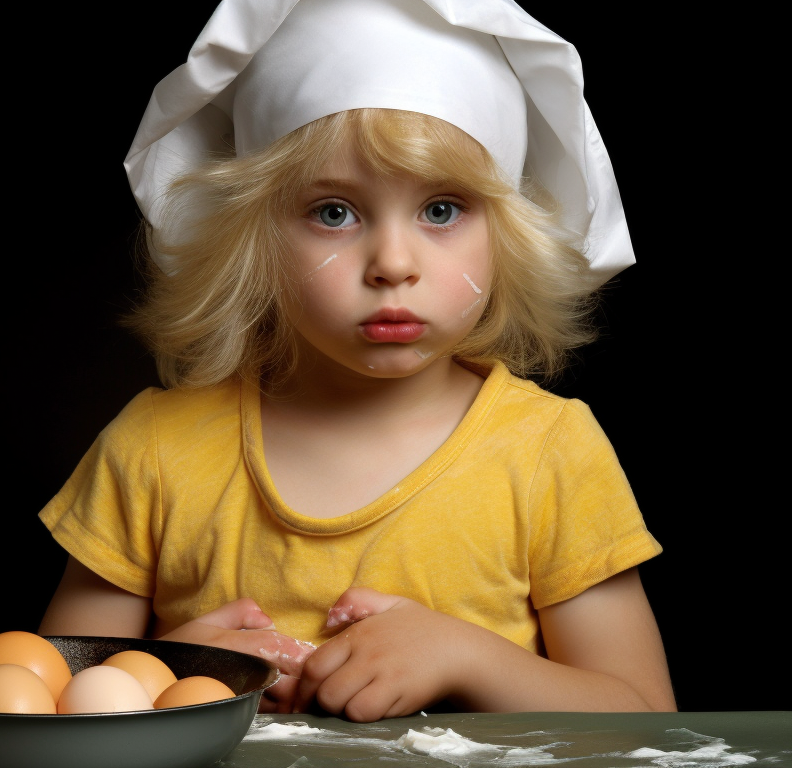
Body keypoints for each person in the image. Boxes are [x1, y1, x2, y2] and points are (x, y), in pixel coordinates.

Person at [38, 0, 676, 720]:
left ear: (509, 236)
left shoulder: (548, 455)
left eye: (442, 210)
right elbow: (53, 705)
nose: (393, 264)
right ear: (253, 242)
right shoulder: (154, 450)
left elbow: (644, 718)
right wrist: (173, 674)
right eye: (334, 212)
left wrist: (466, 655)